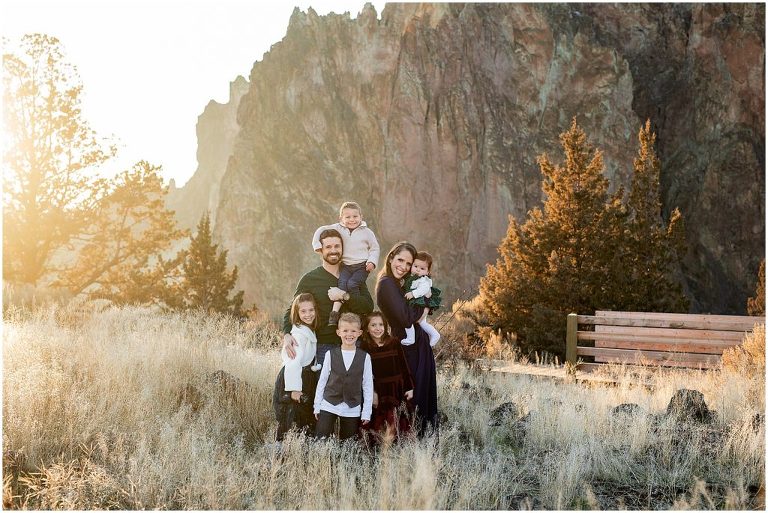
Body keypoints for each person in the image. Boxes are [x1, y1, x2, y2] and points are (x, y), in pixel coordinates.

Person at [282, 228, 374, 367]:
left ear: (343, 248)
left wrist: (344, 296)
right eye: (328, 247)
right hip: (324, 347)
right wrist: (287, 335)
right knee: (326, 388)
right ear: (321, 250)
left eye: (337, 246)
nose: (333, 250)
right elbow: (293, 310)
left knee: (355, 388)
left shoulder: (353, 275)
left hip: (354, 343)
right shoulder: (310, 279)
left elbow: (367, 306)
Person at [375, 242, 439, 435]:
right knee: (412, 396)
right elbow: (406, 317)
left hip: (416, 346)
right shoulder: (386, 282)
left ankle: (421, 441)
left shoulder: (398, 283)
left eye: (408, 263)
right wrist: (425, 302)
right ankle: (411, 440)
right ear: (391, 257)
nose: (403, 266)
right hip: (406, 347)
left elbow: (412, 312)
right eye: (400, 260)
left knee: (419, 394)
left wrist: (425, 304)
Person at [312, 202, 380, 326]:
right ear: (341, 219)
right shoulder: (338, 228)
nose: (352, 220)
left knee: (352, 283)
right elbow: (321, 229)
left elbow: (375, 248)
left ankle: (357, 312)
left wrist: (372, 262)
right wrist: (317, 245)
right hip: (346, 266)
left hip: (361, 266)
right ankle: (334, 313)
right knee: (342, 284)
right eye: (347, 217)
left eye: (355, 216)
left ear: (361, 217)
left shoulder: (367, 232)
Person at [313, 313, 373, 440]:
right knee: (320, 440)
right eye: (345, 330)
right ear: (338, 332)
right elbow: (322, 380)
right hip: (329, 403)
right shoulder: (331, 354)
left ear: (359, 333)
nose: (349, 334)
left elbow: (367, 385)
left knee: (348, 444)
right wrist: (317, 405)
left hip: (352, 407)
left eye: (353, 331)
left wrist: (366, 411)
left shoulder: (365, 357)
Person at [359, 311, 414, 444]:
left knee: (397, 418)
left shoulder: (394, 343)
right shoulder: (365, 347)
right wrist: (372, 392)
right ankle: (379, 446)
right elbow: (365, 374)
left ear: (385, 326)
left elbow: (404, 366)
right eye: (373, 325)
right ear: (367, 328)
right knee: (379, 420)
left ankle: (398, 446)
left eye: (381, 325)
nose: (378, 328)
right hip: (379, 388)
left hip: (397, 388)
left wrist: (409, 387)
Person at [274, 293, 321, 441]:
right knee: (292, 416)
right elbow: (293, 362)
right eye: (303, 311)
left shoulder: (307, 329)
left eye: (311, 310)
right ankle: (287, 452)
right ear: (296, 313)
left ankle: (299, 450)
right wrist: (294, 389)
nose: (308, 314)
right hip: (293, 379)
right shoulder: (298, 335)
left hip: (303, 376)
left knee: (302, 417)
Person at [401, 251, 442, 348]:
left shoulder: (424, 280)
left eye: (422, 268)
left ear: (428, 272)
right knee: (423, 323)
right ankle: (435, 334)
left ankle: (411, 338)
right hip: (418, 304)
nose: (418, 270)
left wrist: (413, 294)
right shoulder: (411, 277)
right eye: (415, 266)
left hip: (419, 304)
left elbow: (424, 289)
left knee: (408, 319)